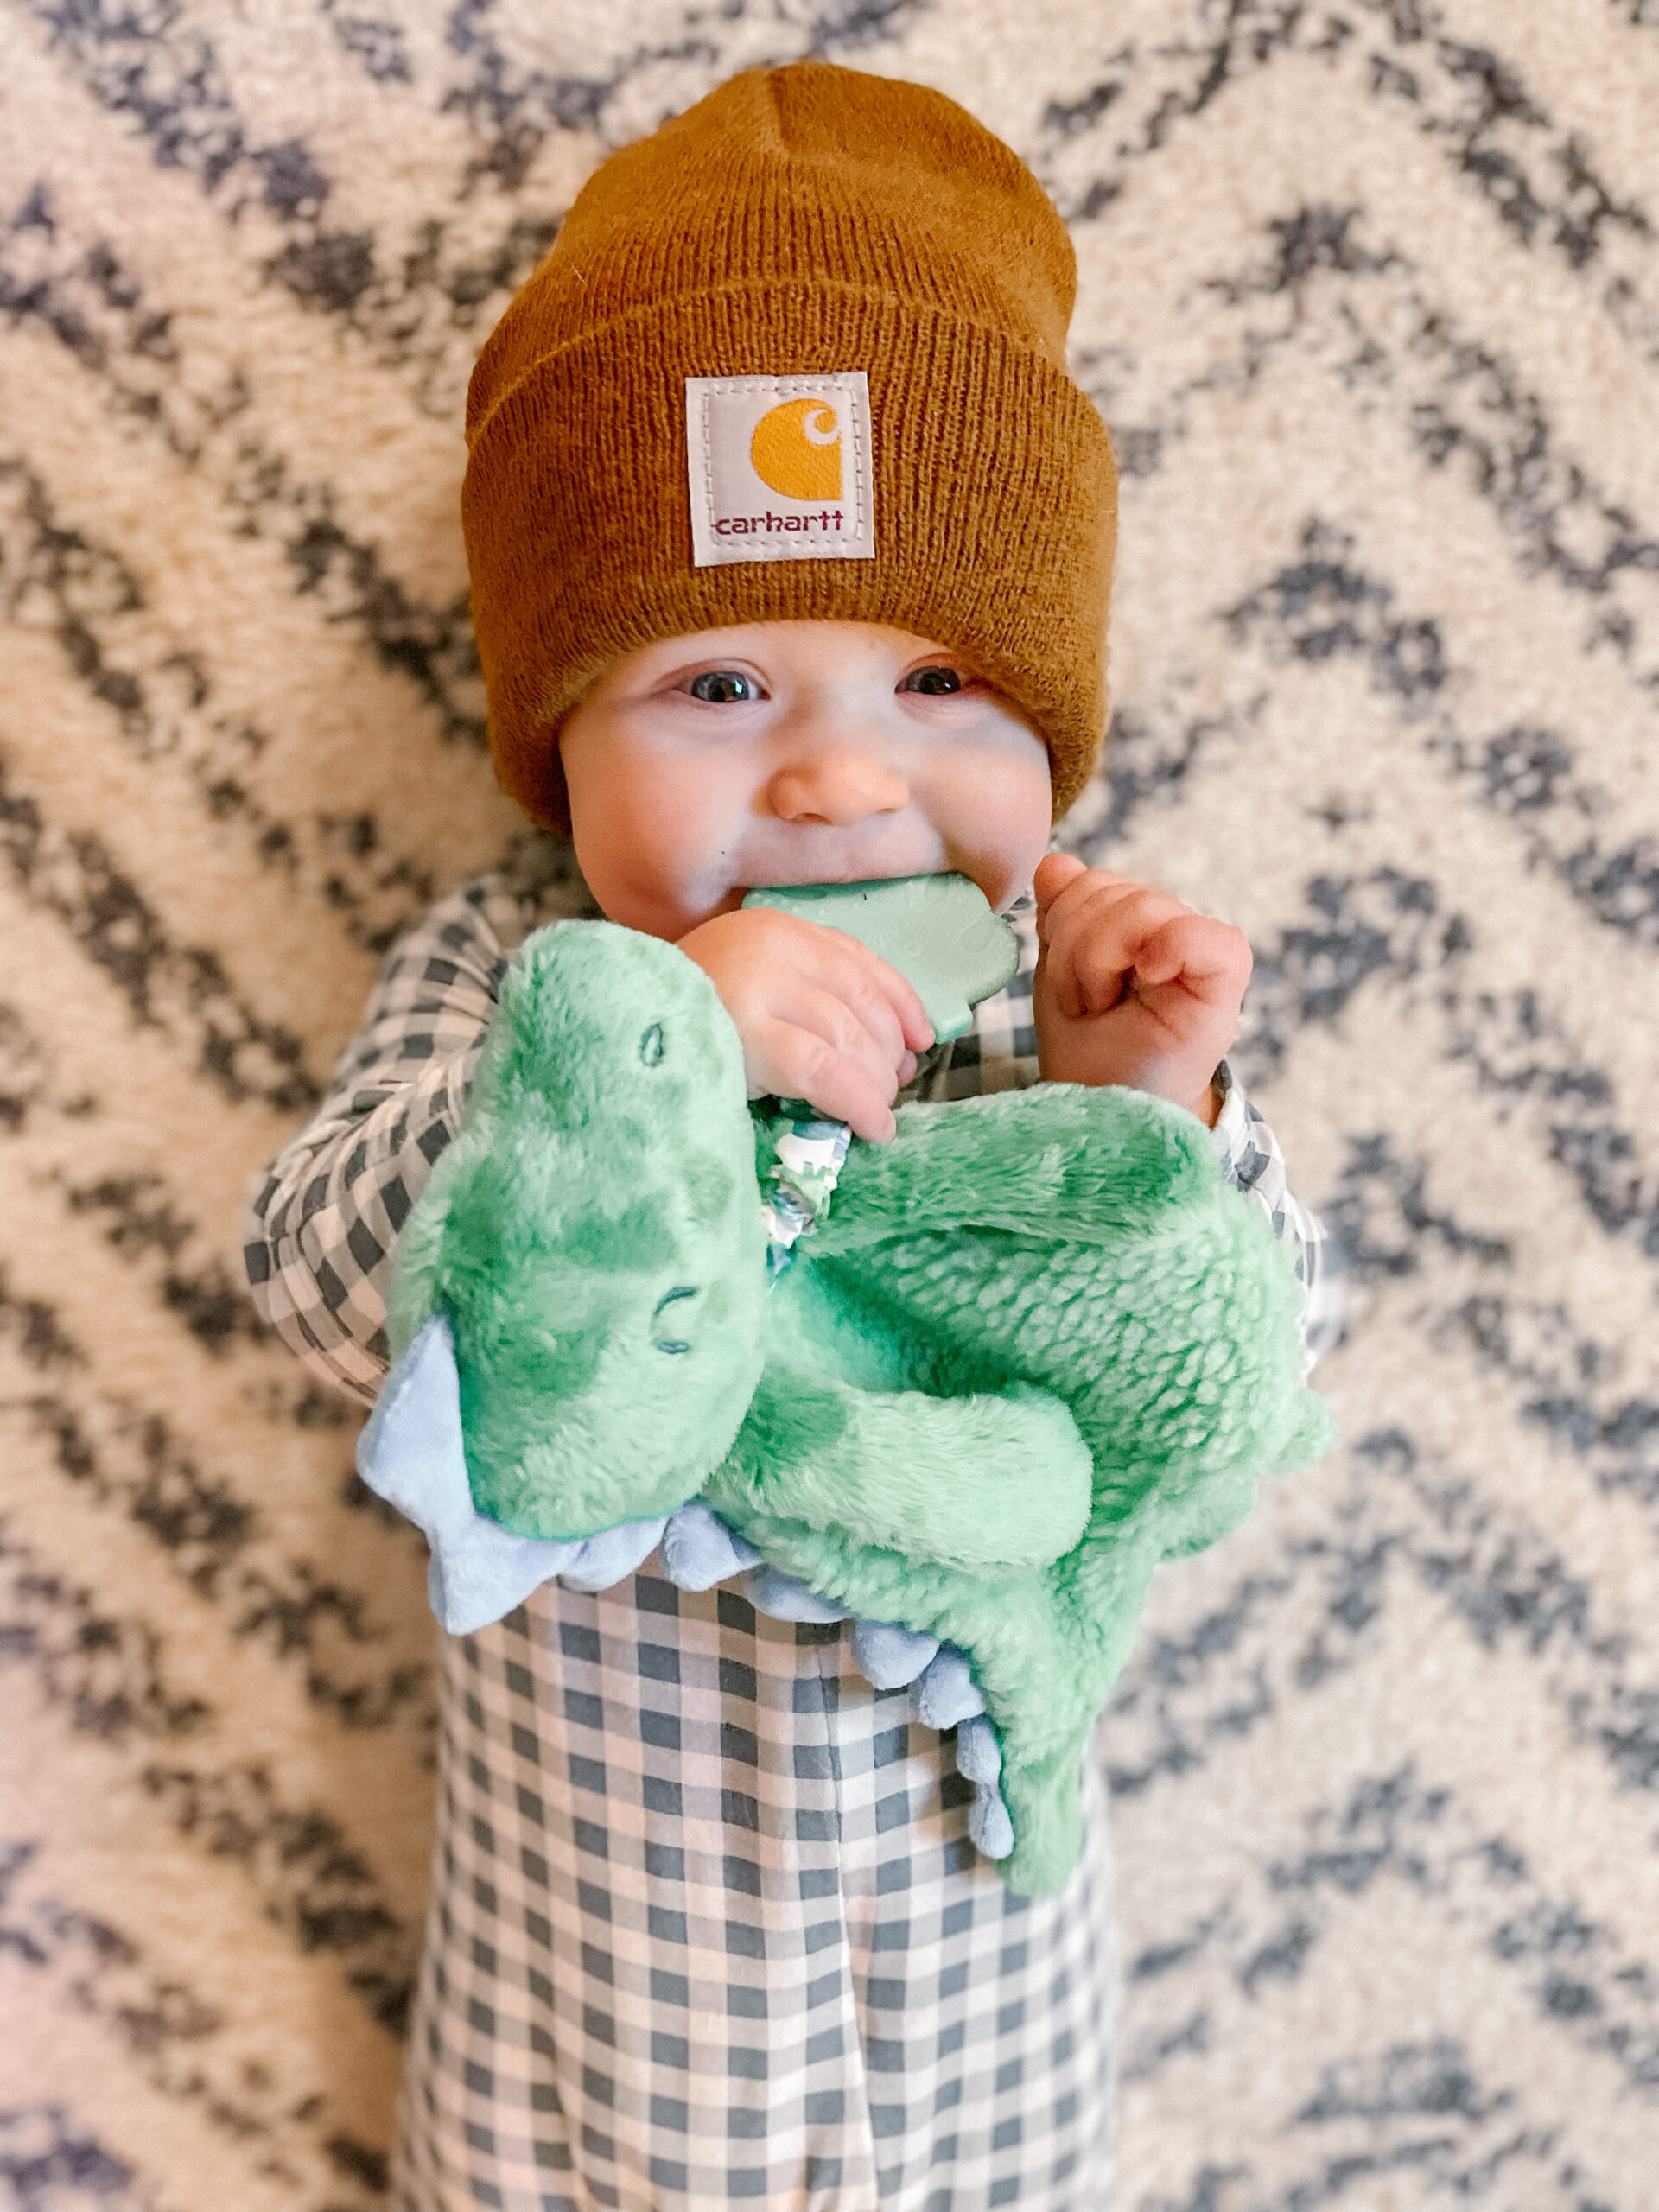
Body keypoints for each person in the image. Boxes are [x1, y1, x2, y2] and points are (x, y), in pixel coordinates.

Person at [245, 59, 1334, 2212]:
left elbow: (1248, 1397)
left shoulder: (1050, 1002)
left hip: (983, 2020)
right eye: (720, 686)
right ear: (559, 737)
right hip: (592, 2022)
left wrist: (1151, 1115)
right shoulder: (525, 979)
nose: (841, 779)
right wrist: (652, 1054)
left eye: (939, 683)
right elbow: (325, 1274)